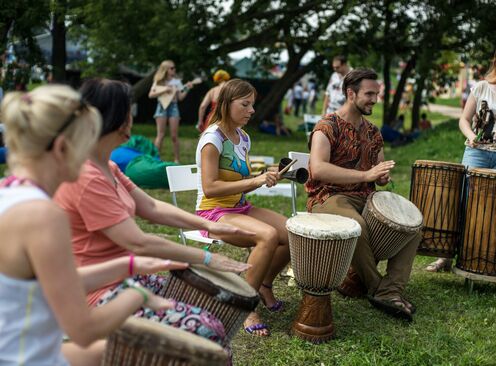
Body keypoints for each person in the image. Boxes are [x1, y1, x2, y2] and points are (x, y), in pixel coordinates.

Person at [54, 79, 252, 349]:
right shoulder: (86, 176)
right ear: (117, 118)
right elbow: (138, 242)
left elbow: (152, 207)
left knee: (206, 315)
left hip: (124, 275)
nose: (132, 118)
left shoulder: (107, 166)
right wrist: (207, 257)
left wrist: (210, 225)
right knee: (209, 331)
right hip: (97, 291)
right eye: (129, 111)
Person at [0, 84, 184, 365]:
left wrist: (127, 266)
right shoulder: (42, 216)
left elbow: (50, 284)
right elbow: (83, 330)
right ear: (63, 148)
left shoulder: (8, 192)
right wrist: (138, 295)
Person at [307, 68, 420, 320]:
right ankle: (378, 288)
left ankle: (392, 289)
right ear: (350, 93)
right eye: (369, 94)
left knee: (412, 227)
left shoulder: (373, 132)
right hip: (328, 198)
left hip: (366, 199)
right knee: (355, 225)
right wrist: (365, 176)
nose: (374, 99)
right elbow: (318, 169)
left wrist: (380, 175)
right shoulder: (326, 126)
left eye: (376, 94)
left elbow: (375, 169)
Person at [427, 41, 496, 272]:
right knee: (464, 203)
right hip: (476, 153)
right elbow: (463, 120)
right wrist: (470, 136)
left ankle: (495, 257)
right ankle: (446, 256)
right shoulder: (481, 88)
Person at [196, 79, 291, 336]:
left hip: (239, 208)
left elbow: (241, 184)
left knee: (291, 233)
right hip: (213, 213)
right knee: (268, 236)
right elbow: (210, 188)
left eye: (253, 105)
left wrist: (264, 176)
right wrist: (255, 180)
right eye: (245, 104)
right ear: (227, 104)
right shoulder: (212, 138)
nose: (251, 111)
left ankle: (264, 286)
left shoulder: (243, 137)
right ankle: (244, 306)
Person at [148, 60, 195, 163]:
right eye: (172, 68)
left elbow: (180, 97)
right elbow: (151, 94)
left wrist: (187, 88)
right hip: (161, 106)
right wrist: (165, 89)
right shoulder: (158, 81)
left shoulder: (177, 82)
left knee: (174, 136)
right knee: (160, 135)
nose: (174, 69)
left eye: (174, 68)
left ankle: (177, 160)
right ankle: (155, 159)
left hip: (173, 107)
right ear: (165, 69)